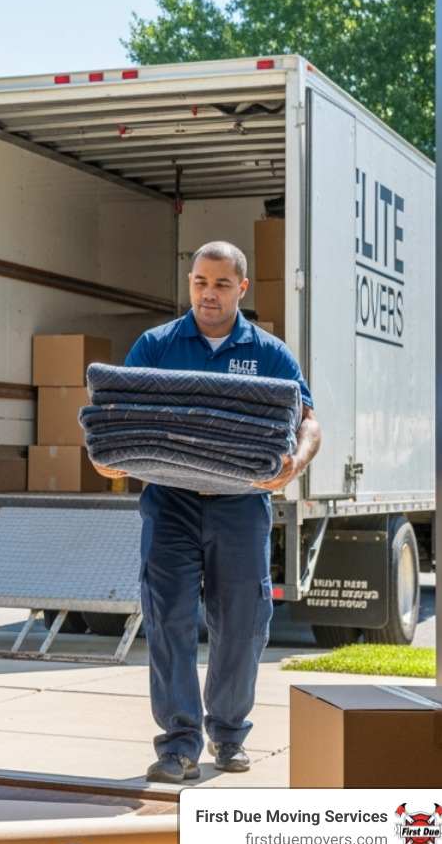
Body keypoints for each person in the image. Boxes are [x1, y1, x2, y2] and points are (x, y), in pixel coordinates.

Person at [92, 242, 320, 784]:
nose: (208, 294)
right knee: (168, 619)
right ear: (189, 282)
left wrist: (296, 464)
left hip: (241, 507)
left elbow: (309, 421)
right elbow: (118, 416)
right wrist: (109, 460)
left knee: (242, 624)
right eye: (199, 282)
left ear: (242, 288)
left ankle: (229, 732)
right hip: (169, 504)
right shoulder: (156, 345)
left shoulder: (270, 355)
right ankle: (178, 745)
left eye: (220, 284)